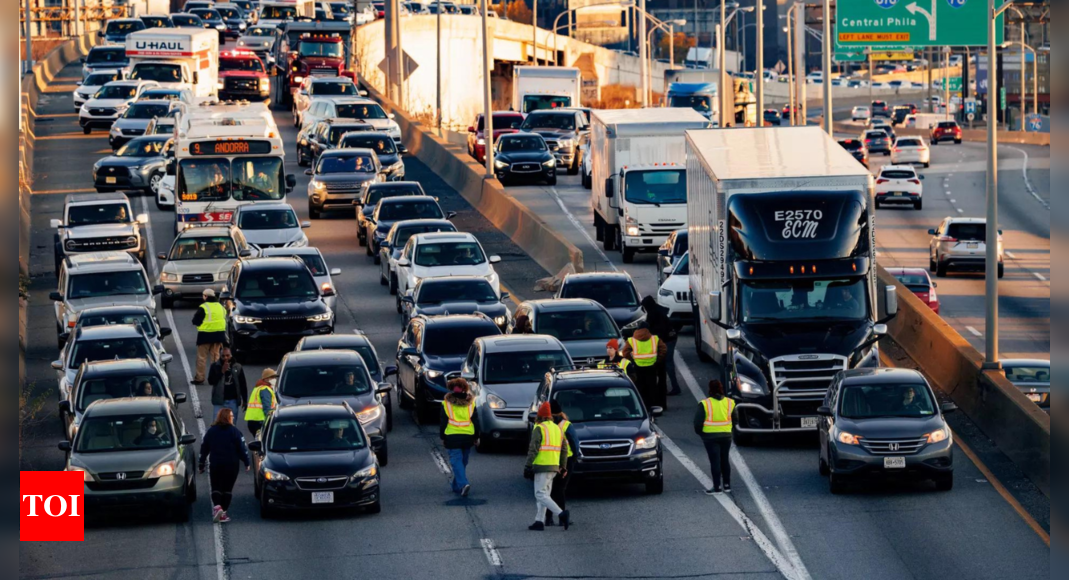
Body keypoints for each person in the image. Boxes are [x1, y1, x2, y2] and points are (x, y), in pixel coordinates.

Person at [199, 408, 250, 524]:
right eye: (231, 416)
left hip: (216, 464)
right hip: (232, 465)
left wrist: (201, 463)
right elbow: (242, 449)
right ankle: (223, 512)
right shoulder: (235, 432)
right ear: (227, 417)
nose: (233, 418)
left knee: (216, 487)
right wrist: (246, 462)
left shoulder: (211, 431)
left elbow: (204, 448)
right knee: (227, 489)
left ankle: (217, 507)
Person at [525, 402, 571, 531]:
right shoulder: (557, 429)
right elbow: (564, 449)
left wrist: (527, 466)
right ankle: (539, 521)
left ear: (539, 416)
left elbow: (533, 449)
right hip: (554, 467)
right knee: (545, 494)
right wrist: (563, 466)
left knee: (540, 494)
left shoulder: (539, 428)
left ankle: (561, 514)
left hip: (542, 465)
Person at [440, 378, 480, 497]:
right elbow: (475, 421)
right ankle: (456, 486)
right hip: (468, 436)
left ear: (451, 389)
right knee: (463, 461)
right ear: (465, 388)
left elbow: (443, 422)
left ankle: (463, 484)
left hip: (452, 436)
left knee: (457, 461)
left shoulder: (446, 404)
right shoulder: (471, 403)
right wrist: (476, 436)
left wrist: (442, 437)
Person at [695, 380, 735, 495]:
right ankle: (727, 485)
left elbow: (697, 423)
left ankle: (717, 486)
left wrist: (702, 433)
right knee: (725, 459)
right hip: (726, 435)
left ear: (710, 389)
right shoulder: (730, 402)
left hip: (710, 437)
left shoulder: (704, 404)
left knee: (715, 461)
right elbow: (735, 419)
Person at [621, 322, 669, 411]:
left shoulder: (631, 340)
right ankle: (651, 405)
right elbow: (664, 349)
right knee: (651, 387)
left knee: (640, 387)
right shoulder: (655, 339)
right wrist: (657, 360)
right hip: (652, 367)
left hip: (638, 368)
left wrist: (633, 360)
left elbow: (625, 353)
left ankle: (642, 406)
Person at [641, 296, 681, 396]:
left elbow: (657, 330)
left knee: (667, 363)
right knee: (666, 363)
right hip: (670, 337)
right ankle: (670, 387)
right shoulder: (656, 311)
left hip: (668, 339)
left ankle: (674, 387)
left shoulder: (654, 314)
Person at [546, 401, 577, 527]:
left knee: (550, 490)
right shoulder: (566, 425)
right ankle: (562, 517)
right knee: (559, 489)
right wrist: (575, 459)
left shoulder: (545, 425)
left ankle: (549, 518)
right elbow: (575, 444)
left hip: (550, 459)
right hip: (567, 460)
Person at [192, 289, 228, 385]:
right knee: (215, 357)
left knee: (201, 358)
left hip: (205, 336)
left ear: (205, 296)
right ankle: (215, 377)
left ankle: (199, 378)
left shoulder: (203, 307)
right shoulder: (221, 307)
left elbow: (195, 321)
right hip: (218, 336)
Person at [209, 348, 248, 420]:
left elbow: (242, 384)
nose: (225, 358)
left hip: (233, 401)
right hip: (219, 401)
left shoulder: (237, 367)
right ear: (220, 356)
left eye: (227, 355)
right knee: (216, 424)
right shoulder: (215, 366)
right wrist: (222, 371)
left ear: (231, 355)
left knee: (232, 424)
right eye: (223, 356)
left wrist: (245, 400)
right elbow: (211, 381)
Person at [244, 368, 277, 438]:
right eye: (273, 377)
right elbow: (267, 407)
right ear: (267, 379)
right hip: (260, 421)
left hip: (252, 421)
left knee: (258, 442)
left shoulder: (258, 388)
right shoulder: (265, 389)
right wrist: (270, 420)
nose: (275, 379)